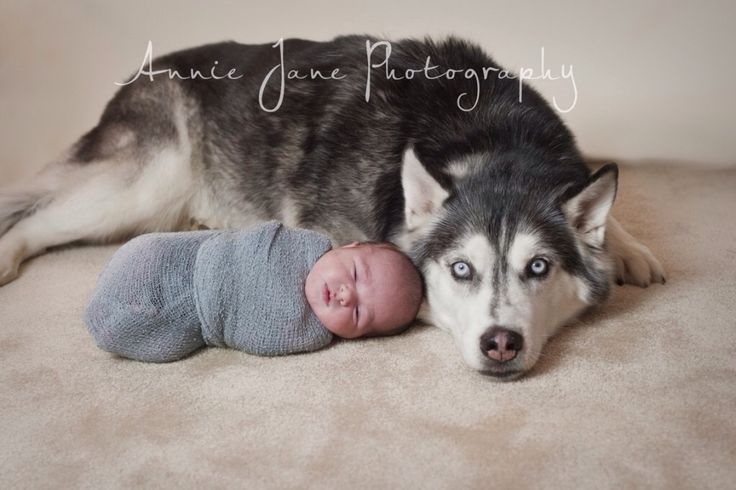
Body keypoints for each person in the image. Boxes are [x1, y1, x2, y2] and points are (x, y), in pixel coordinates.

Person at [84, 221, 423, 362]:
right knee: (149, 254)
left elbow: (255, 334)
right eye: (353, 273)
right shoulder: (300, 243)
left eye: (360, 314)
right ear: (347, 245)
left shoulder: (306, 334)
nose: (348, 296)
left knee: (142, 332)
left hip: (196, 313)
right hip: (192, 259)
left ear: (356, 338)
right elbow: (247, 240)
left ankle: (111, 312)